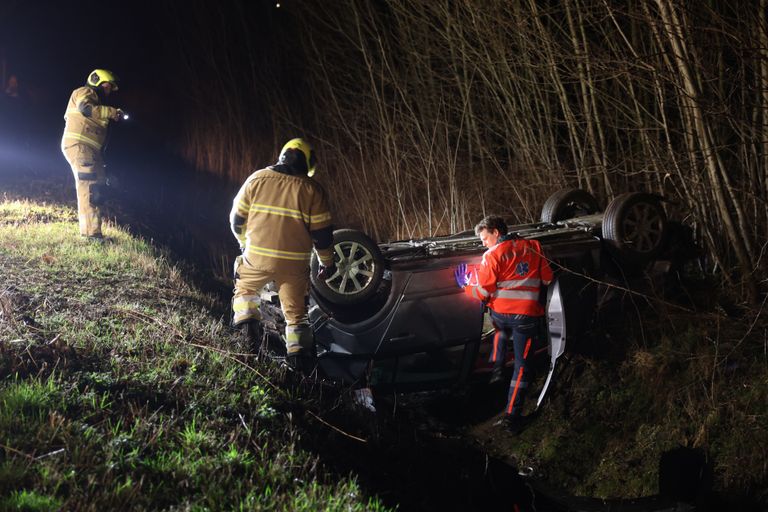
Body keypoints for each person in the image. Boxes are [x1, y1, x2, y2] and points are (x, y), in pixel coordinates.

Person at [229, 138, 336, 373]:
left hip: (256, 258)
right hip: (294, 265)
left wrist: (244, 243)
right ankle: (300, 367)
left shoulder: (256, 179)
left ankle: (248, 346)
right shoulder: (312, 190)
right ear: (307, 162)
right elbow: (323, 235)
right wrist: (327, 263)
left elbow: (236, 220)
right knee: (296, 315)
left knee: (245, 292)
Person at [455, 215, 553, 433]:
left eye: (484, 238)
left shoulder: (491, 255)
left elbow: (482, 293)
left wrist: (465, 286)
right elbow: (547, 279)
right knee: (522, 368)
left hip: (501, 315)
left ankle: (498, 367)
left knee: (498, 329)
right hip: (526, 317)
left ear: (496, 232)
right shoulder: (534, 246)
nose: (483, 243)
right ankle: (512, 416)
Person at [61, 69, 125, 240]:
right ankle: (91, 234)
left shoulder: (97, 102)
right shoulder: (85, 92)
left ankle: (93, 231)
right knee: (90, 188)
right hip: (80, 147)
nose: (108, 90)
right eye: (107, 86)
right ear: (97, 82)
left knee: (98, 188)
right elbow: (85, 108)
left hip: (90, 151)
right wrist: (111, 112)